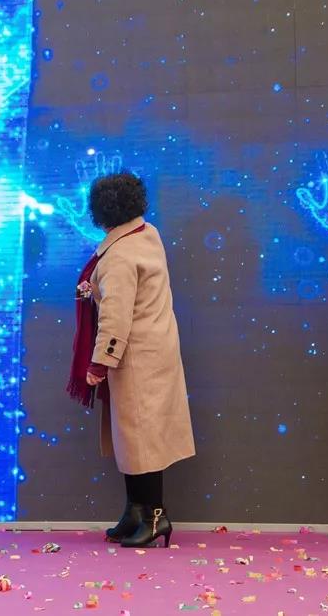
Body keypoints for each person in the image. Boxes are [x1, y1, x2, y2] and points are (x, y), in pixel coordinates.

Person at [67, 171, 195, 548]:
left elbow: (115, 317)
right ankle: (136, 511)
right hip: (153, 349)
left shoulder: (119, 255)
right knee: (136, 437)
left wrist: (98, 364)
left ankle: (155, 516)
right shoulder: (146, 234)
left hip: (134, 355)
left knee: (142, 438)